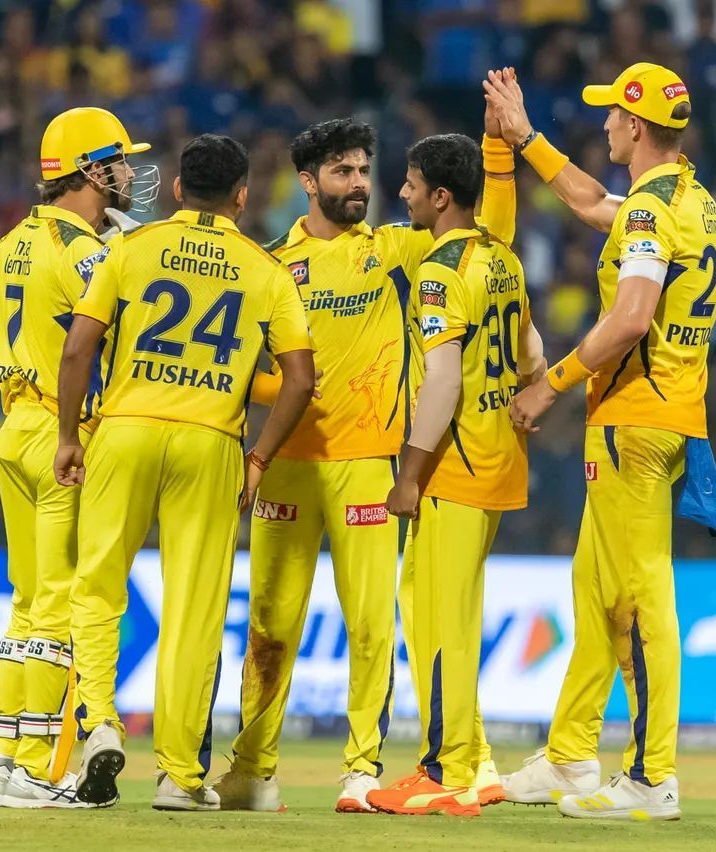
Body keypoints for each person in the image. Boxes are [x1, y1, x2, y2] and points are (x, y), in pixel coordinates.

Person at [215, 104, 517, 813]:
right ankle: (252, 770)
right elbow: (245, 371)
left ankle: (362, 768)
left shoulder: (392, 248)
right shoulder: (272, 267)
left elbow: (487, 237)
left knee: (373, 625)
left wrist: (498, 154)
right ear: (306, 181)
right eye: (342, 171)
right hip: (289, 462)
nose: (359, 183)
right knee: (270, 623)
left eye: (363, 171)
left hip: (370, 466)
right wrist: (287, 395)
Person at [486, 62, 716, 821]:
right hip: (664, 413)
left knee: (640, 594)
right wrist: (526, 140)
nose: (605, 126)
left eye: (611, 117)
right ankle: (571, 756)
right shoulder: (690, 200)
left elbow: (629, 318)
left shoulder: (654, 213)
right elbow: (594, 203)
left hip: (635, 416)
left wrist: (548, 384)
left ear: (635, 125)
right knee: (596, 592)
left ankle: (653, 778)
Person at [56, 134, 315, 811]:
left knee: (98, 584)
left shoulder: (129, 249)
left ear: (175, 189)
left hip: (125, 429)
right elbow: (300, 378)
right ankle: (177, 774)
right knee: (194, 608)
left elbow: (79, 345)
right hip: (210, 439)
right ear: (241, 196)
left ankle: (101, 722)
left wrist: (66, 433)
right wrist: (259, 457)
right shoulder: (265, 269)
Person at [0, 106, 156, 809]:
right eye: (119, 161)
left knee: (25, 605)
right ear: (89, 171)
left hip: (15, 427)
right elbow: (129, 331)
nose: (129, 173)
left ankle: (5, 760)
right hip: (63, 436)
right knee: (58, 606)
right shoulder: (89, 252)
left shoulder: (11, 240)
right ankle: (33, 773)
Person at [364, 134, 544, 817]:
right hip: (497, 457)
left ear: (441, 196)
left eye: (411, 185)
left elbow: (440, 382)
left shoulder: (439, 272)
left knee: (437, 622)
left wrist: (409, 473)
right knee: (460, 618)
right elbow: (531, 349)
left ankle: (441, 769)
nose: (402, 194)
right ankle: (476, 763)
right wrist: (526, 394)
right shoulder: (502, 259)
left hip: (453, 466)